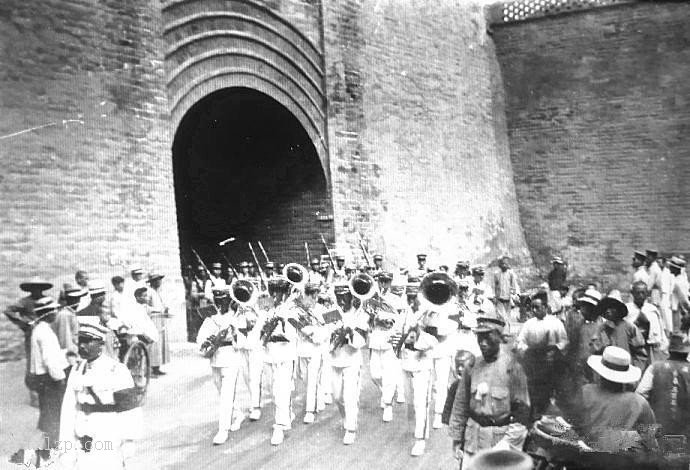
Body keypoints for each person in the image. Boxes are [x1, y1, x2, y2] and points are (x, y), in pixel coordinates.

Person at [449, 315, 530, 468]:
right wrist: (457, 438)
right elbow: (461, 404)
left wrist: (507, 444)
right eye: (479, 337)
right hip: (472, 442)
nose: (482, 343)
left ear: (499, 337)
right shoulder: (471, 366)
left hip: (499, 444)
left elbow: (522, 413)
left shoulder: (513, 367)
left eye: (488, 337)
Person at [58, 322, 141, 469]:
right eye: (80, 341)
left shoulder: (117, 370)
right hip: (82, 435)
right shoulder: (76, 370)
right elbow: (68, 408)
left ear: (100, 344)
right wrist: (66, 445)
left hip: (108, 433)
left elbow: (129, 410)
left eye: (87, 341)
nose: (82, 346)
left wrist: (128, 442)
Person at [575, 346, 656, 453]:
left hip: (581, 457)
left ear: (599, 373)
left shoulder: (584, 392)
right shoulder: (639, 402)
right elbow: (650, 441)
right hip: (619, 460)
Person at [196, 287, 245, 444]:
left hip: (230, 357)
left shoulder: (235, 318)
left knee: (226, 395)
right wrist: (205, 342)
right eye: (217, 301)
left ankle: (222, 430)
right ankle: (238, 413)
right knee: (220, 390)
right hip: (215, 359)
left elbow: (242, 341)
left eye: (222, 301)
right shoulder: (210, 319)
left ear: (228, 301)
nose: (219, 304)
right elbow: (201, 338)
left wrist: (235, 334)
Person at [515, 291, 568, 418]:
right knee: (534, 388)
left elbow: (564, 341)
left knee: (549, 389)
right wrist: (527, 350)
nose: (534, 310)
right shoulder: (529, 324)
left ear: (545, 307)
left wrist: (555, 349)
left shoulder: (555, 322)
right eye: (532, 307)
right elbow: (520, 341)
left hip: (551, 361)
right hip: (534, 361)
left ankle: (549, 415)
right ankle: (535, 413)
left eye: (537, 307)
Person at [4, 277, 54, 407]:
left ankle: (46, 392)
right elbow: (8, 310)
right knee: (33, 362)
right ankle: (34, 395)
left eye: (39, 288)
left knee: (47, 360)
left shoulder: (47, 300)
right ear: (30, 289)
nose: (37, 290)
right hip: (31, 334)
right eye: (34, 288)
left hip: (46, 333)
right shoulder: (25, 302)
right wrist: (23, 323)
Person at [329, 290, 370, 446]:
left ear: (351, 297)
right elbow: (325, 335)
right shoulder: (332, 312)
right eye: (338, 297)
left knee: (350, 396)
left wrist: (349, 333)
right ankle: (345, 417)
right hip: (335, 359)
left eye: (344, 297)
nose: (341, 300)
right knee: (337, 397)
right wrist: (335, 333)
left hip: (351, 360)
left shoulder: (360, 315)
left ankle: (351, 429)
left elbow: (360, 343)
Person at [263, 276, 300, 446]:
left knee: (281, 389)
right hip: (270, 353)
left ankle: (280, 426)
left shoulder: (291, 309)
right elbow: (260, 328)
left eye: (278, 292)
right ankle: (287, 410)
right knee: (272, 389)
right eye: (273, 292)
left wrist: (281, 323)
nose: (275, 295)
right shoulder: (267, 308)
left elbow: (293, 335)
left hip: (285, 353)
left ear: (285, 293)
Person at [636, 333, 690, 443]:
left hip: (658, 430)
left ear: (669, 350)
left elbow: (640, 394)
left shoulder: (655, 367)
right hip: (685, 432)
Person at [30, 297, 69, 448]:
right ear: (46, 314)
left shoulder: (39, 329)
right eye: (53, 311)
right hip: (49, 378)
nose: (56, 313)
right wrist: (60, 377)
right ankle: (53, 444)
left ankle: (50, 442)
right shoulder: (45, 333)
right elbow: (50, 360)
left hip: (41, 377)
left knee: (47, 410)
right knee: (54, 410)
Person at [292, 283, 327, 424]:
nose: (314, 296)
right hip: (302, 348)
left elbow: (331, 326)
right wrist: (306, 330)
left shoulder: (322, 308)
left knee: (312, 379)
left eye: (316, 293)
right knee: (306, 379)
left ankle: (309, 411)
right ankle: (319, 398)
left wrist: (316, 335)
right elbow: (294, 324)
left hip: (316, 348)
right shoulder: (299, 309)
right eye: (311, 293)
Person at [591, 290, 647, 371]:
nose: (608, 310)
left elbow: (640, 352)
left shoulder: (630, 328)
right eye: (606, 308)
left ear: (618, 309)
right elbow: (594, 349)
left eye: (611, 307)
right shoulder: (601, 329)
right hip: (606, 369)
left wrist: (636, 368)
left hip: (626, 369)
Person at [626, 281, 667, 363]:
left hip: (649, 348)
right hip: (632, 348)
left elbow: (660, 331)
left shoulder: (652, 310)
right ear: (632, 293)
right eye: (638, 293)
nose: (640, 296)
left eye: (643, 293)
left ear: (647, 294)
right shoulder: (627, 310)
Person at [147, 273, 171, 376]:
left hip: (160, 319)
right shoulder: (149, 292)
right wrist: (158, 310)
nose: (159, 282)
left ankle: (157, 367)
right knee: (154, 343)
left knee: (160, 343)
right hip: (153, 319)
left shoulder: (158, 292)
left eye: (160, 280)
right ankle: (151, 367)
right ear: (152, 282)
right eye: (157, 280)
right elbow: (146, 307)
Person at [52, 286, 84, 355]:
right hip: (69, 354)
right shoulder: (64, 315)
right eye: (74, 298)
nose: (77, 301)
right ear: (68, 299)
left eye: (78, 298)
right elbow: (64, 340)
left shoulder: (72, 313)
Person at [492, 256, 520, 325]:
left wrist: (514, 295)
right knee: (500, 316)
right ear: (499, 265)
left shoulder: (510, 274)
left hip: (507, 298)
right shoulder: (496, 274)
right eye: (502, 264)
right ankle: (501, 330)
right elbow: (495, 286)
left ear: (508, 265)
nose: (504, 265)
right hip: (499, 298)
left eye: (506, 264)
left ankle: (507, 331)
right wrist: (495, 296)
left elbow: (513, 285)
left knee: (508, 316)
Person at [669, 256, 690, 332]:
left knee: (679, 332)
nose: (669, 268)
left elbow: (684, 300)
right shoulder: (679, 279)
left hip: (679, 312)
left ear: (676, 269)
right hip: (676, 309)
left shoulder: (679, 282)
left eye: (671, 267)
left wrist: (687, 312)